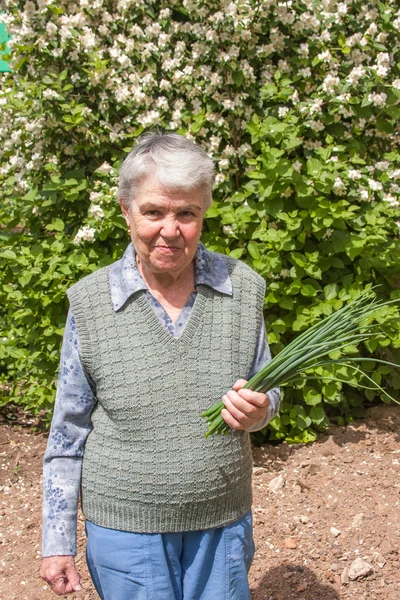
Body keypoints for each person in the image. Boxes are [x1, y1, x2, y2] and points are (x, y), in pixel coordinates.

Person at [40, 132, 280, 599]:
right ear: (127, 211)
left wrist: (261, 410)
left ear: (203, 213)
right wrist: (57, 541)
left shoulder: (243, 289)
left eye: (186, 213)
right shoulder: (91, 303)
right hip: (125, 531)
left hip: (223, 525)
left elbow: (268, 387)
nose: (170, 229)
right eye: (154, 212)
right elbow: (66, 433)